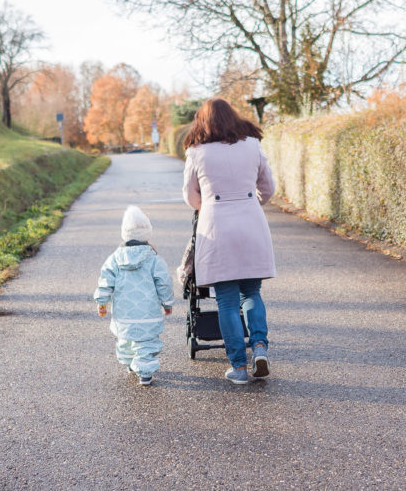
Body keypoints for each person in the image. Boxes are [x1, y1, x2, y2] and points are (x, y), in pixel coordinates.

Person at [182, 98, 276, 384]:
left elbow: (190, 196)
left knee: (226, 300)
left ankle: (238, 366)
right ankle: (259, 347)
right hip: (251, 223)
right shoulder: (252, 145)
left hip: (217, 229)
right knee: (252, 293)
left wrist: (207, 205)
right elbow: (268, 188)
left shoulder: (197, 152)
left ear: (204, 122)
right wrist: (252, 202)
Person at [94, 205, 174, 386]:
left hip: (124, 313)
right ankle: (144, 372)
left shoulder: (114, 258)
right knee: (147, 342)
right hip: (148, 313)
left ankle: (131, 364)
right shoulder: (153, 259)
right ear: (147, 235)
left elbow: (105, 280)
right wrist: (167, 303)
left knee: (126, 339)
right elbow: (164, 282)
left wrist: (102, 302)